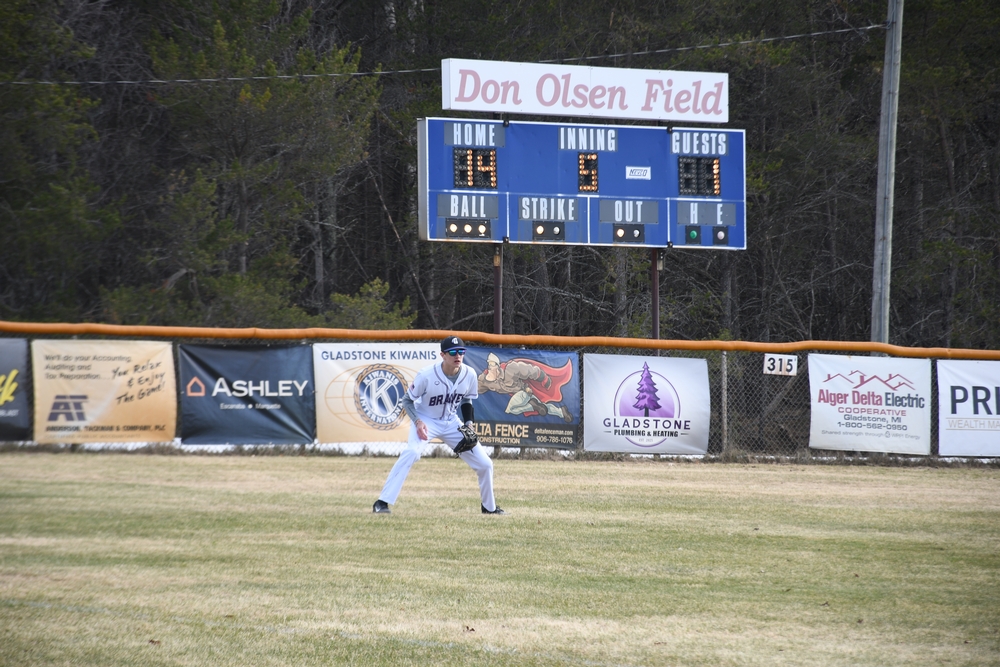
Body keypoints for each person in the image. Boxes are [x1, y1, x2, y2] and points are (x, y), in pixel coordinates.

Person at [373, 336, 504, 515]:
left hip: (451, 422)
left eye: (461, 352)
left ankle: (489, 508)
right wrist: (418, 421)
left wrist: (469, 423)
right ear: (442, 355)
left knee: (485, 464)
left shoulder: (470, 374)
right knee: (412, 452)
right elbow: (407, 400)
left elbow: (467, 399)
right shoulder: (426, 375)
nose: (457, 355)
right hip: (426, 420)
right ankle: (382, 502)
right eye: (453, 352)